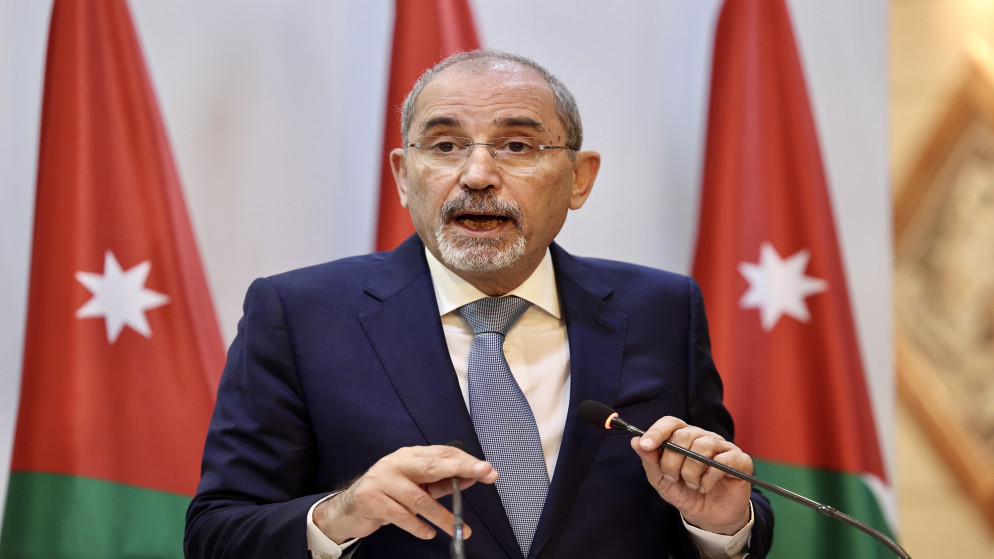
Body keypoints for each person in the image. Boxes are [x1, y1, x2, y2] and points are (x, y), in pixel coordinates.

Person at [185, 49, 773, 559]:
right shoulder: (297, 315)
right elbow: (217, 534)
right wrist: (342, 514)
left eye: (517, 145)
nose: (477, 175)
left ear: (579, 178)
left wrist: (721, 527)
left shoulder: (663, 310)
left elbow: (713, 500)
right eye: (445, 145)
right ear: (403, 176)